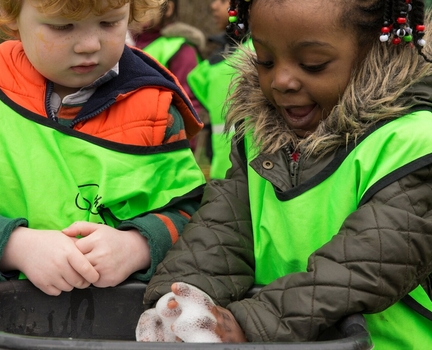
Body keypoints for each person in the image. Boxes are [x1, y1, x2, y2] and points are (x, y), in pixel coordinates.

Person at [138, 0, 432, 348]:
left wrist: (251, 324)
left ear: (379, 53)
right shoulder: (259, 139)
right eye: (265, 60)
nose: (281, 81)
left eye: (312, 64)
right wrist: (180, 301)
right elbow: (220, 232)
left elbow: (367, 263)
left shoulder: (416, 145)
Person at [0, 0, 206, 348]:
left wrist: (139, 245)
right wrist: (12, 246)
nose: (89, 44)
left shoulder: (157, 113)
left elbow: (198, 217)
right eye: (62, 26)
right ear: (13, 19)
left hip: (120, 331)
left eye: (109, 23)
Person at [132, 0, 206, 151]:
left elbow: (189, 102)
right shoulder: (125, 46)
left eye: (146, 6)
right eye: (135, 4)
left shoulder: (180, 48)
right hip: (131, 140)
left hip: (167, 144)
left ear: (168, 9)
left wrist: (184, 144)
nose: (138, 10)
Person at [187, 0, 247, 179]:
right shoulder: (213, 64)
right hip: (225, 174)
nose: (213, 6)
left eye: (222, 1)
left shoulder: (258, 55)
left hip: (244, 175)